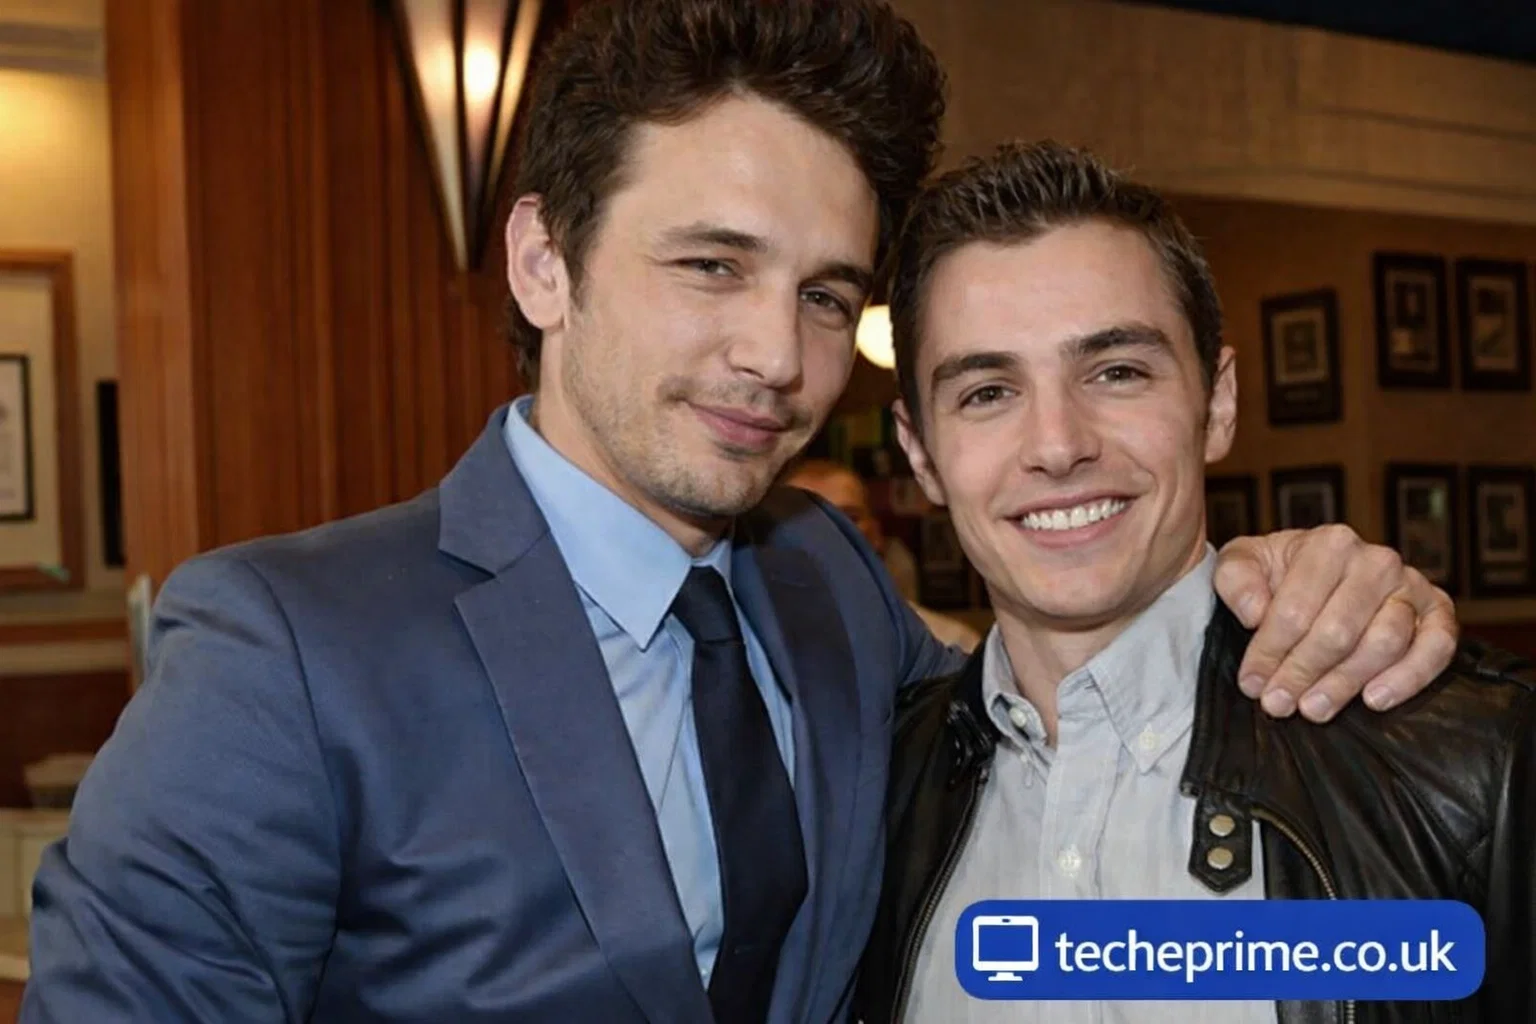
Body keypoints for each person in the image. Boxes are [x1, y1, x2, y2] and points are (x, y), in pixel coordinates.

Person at [24, 3, 1455, 1023]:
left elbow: (1058, 706)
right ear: (543, 261)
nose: (779, 355)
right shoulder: (284, 647)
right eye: (712, 266)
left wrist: (1290, 587)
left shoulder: (825, 582)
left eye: (827, 294)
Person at [854, 140, 1530, 1023]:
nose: (1057, 445)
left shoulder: (1469, 768)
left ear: (1218, 403)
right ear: (920, 454)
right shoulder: (864, 799)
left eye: (1117, 372)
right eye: (987, 391)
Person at [787, 459, 984, 651]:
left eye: (849, 518)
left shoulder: (950, 644)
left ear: (875, 533)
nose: (830, 534)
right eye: (807, 522)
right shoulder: (769, 650)